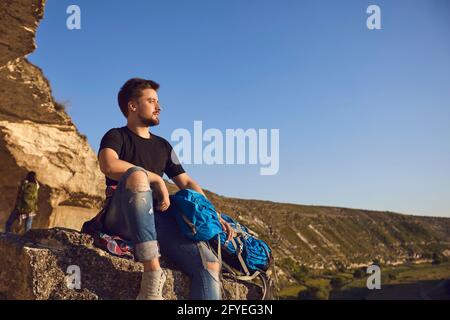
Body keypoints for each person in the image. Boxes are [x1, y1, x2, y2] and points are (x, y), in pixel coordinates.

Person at [98, 78, 234, 300]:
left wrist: (212, 213)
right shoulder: (116, 135)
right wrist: (156, 179)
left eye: (158, 101)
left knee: (210, 264)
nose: (158, 107)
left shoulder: (163, 146)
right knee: (137, 177)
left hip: (157, 218)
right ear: (133, 106)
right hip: (122, 215)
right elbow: (109, 165)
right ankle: (152, 276)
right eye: (151, 101)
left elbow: (187, 182)